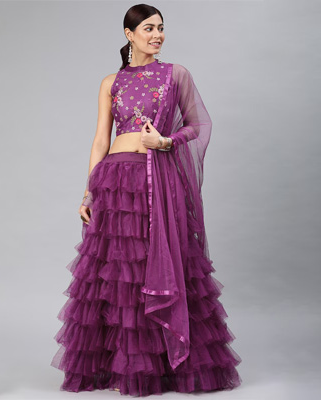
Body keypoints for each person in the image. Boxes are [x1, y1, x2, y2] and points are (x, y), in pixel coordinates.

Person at [50, 4, 242, 396]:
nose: (157, 35)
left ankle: (170, 367)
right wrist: (88, 191)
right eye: (149, 29)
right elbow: (100, 139)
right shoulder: (111, 81)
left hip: (156, 178)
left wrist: (166, 141)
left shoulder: (176, 74)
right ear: (129, 34)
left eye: (161, 28)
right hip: (115, 182)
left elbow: (199, 124)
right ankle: (126, 368)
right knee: (121, 272)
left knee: (162, 263)